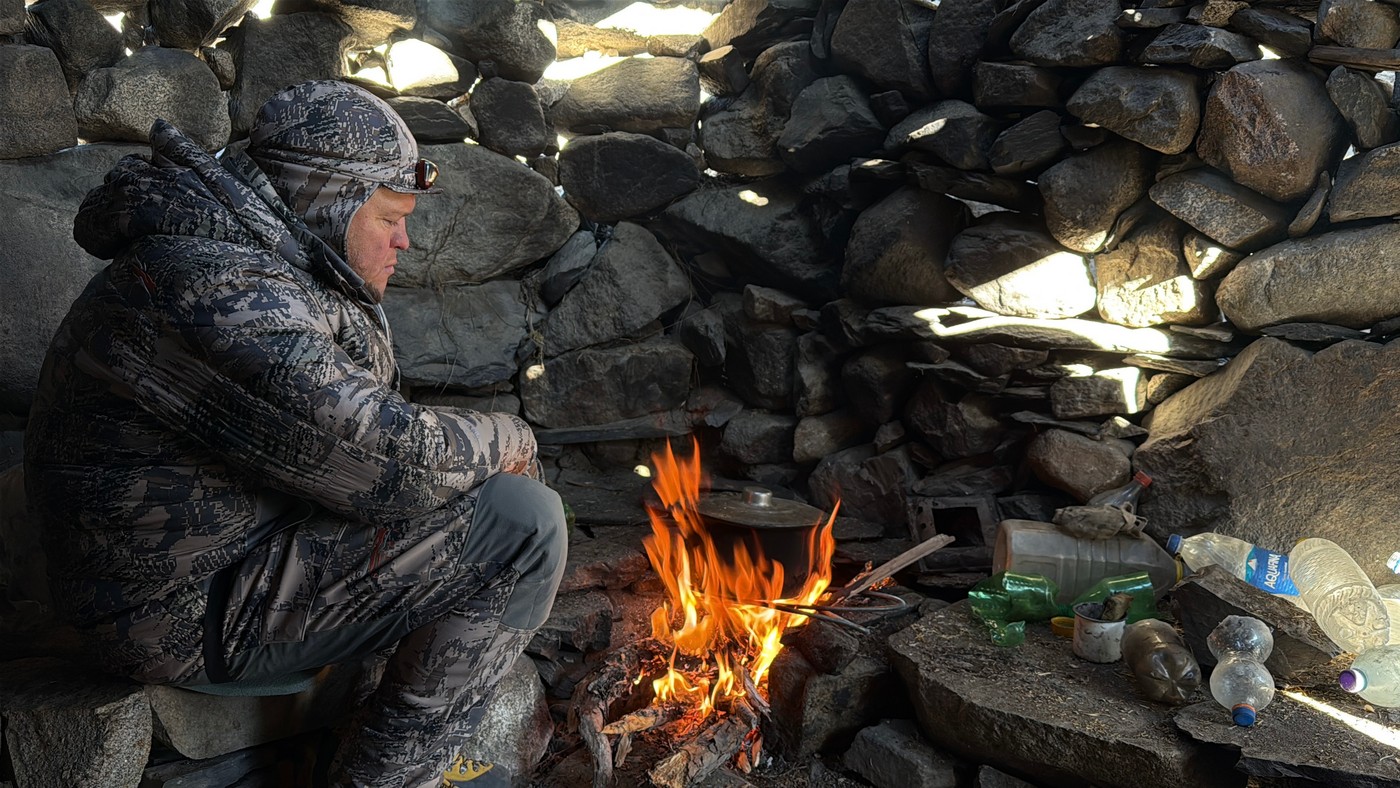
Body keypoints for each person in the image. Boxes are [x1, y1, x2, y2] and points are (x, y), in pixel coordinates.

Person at [24, 80, 567, 787]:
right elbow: (392, 461)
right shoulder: (213, 285)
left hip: (222, 565)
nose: (405, 239)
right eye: (389, 217)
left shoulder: (256, 261)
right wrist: (514, 435)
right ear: (326, 201)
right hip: (174, 611)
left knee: (463, 497)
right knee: (519, 523)